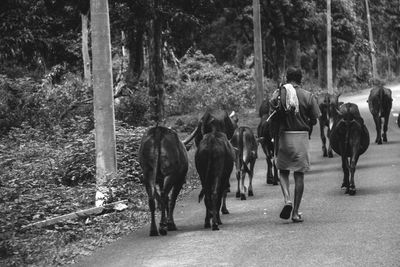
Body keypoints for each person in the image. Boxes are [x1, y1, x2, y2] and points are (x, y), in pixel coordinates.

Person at [270, 67, 321, 223]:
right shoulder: (308, 96)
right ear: (301, 79)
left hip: (283, 137)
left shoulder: (280, 95)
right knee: (299, 174)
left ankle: (287, 200)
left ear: (286, 78)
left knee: (283, 171)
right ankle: (296, 212)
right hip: (301, 138)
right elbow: (315, 119)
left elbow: (272, 114)